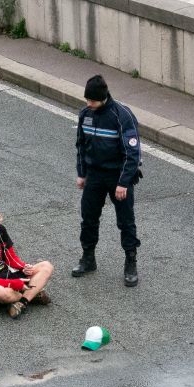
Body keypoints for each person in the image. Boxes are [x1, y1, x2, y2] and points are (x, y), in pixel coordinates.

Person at [73, 74, 142, 287]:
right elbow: (81, 145)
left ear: (102, 98)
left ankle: (130, 263)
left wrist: (123, 182)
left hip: (117, 176)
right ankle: (88, 258)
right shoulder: (85, 114)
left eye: (92, 101)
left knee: (126, 222)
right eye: (87, 100)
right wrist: (82, 173)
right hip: (94, 175)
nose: (88, 104)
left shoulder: (121, 116)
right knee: (89, 218)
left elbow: (133, 154)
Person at [0, 200, 54, 320]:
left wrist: (24, 267)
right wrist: (12, 284)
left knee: (46, 266)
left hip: (7, 275)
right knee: (2, 293)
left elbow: (11, 258)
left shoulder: (0, 229)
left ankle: (22, 302)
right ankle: (32, 294)